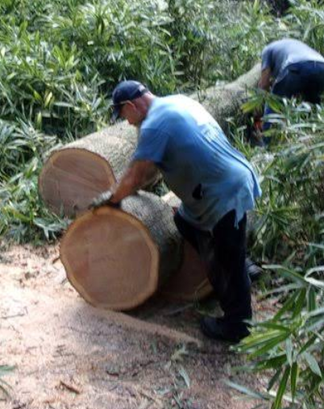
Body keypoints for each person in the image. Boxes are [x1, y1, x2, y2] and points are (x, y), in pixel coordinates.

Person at [93, 80, 261, 343]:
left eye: (124, 115)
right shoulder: (177, 102)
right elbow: (151, 169)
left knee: (229, 261)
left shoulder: (154, 124)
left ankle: (236, 326)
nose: (127, 123)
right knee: (184, 221)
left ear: (131, 105)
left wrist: (112, 198)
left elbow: (137, 174)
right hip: (224, 185)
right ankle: (239, 265)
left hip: (222, 193)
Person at [258, 38, 324, 104]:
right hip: (321, 66)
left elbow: (264, 84)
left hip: (296, 64)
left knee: (275, 103)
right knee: (311, 105)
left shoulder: (267, 50)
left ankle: (270, 117)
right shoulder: (287, 46)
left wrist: (257, 107)